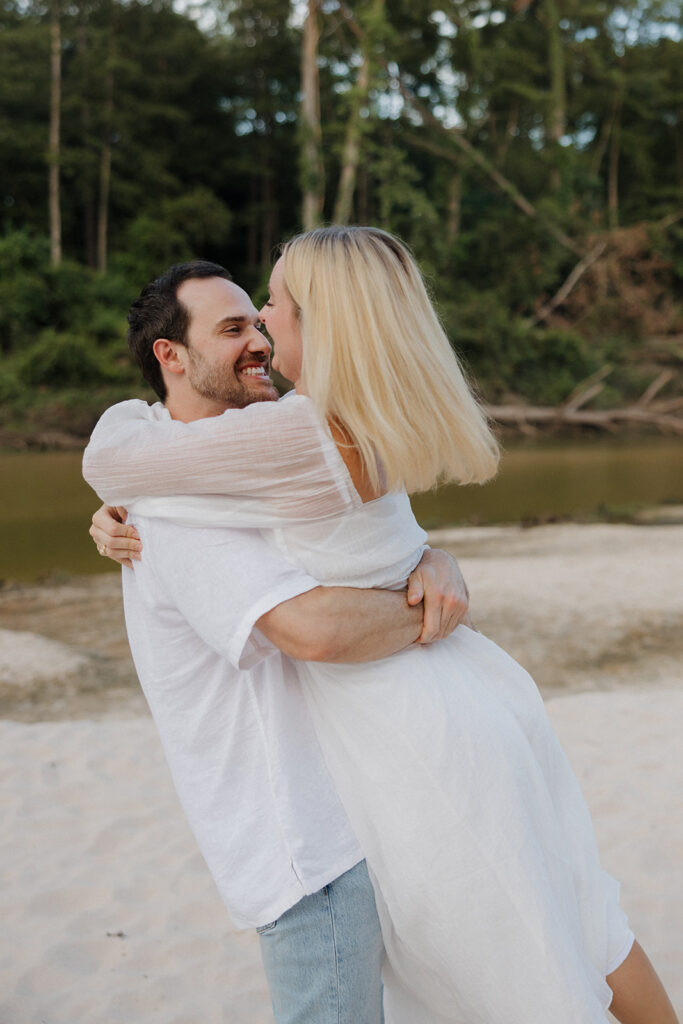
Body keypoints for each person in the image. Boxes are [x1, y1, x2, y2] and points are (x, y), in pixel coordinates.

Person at [85, 231, 678, 1024]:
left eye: (271, 307)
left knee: (516, 968)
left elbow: (117, 461)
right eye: (241, 320)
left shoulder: (291, 437)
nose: (261, 325)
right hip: (474, 691)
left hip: (412, 732)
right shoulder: (352, 418)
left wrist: (125, 484)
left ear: (319, 322)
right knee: (580, 920)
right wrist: (432, 568)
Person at [83, 258, 473, 1024]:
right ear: (171, 356)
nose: (258, 338)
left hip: (360, 812)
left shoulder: (237, 465)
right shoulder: (165, 514)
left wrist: (433, 557)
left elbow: (360, 540)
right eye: (232, 328)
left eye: (260, 321)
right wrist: (441, 606)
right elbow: (314, 631)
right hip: (304, 843)